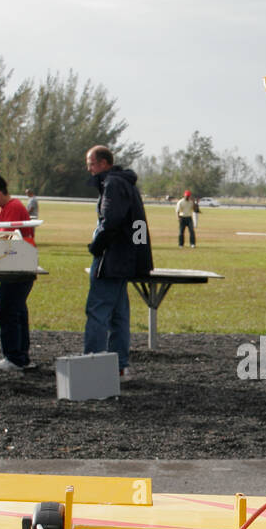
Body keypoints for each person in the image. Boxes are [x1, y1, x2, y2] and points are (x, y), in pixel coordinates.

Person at [84, 144, 153, 378]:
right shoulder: (126, 183)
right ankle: (119, 366)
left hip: (112, 259)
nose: (90, 170)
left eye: (92, 164)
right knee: (119, 313)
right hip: (126, 259)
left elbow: (111, 220)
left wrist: (97, 246)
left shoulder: (112, 184)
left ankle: (92, 365)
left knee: (97, 311)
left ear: (104, 163)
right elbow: (137, 227)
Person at [0, 173, 36, 372]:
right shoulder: (8, 208)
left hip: (17, 266)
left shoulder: (13, 208)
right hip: (21, 265)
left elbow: (5, 240)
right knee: (17, 311)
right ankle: (21, 356)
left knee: (8, 311)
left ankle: (14, 357)